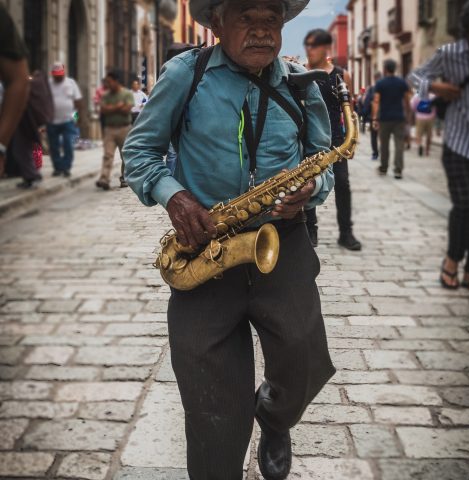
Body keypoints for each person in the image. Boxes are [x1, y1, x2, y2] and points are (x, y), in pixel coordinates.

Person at [123, 1, 336, 479]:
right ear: (216, 23)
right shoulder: (186, 73)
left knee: (304, 363)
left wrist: (311, 190)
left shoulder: (303, 84)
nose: (262, 31)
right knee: (211, 405)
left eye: (272, 20)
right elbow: (139, 151)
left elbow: (324, 159)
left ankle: (276, 417)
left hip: (283, 243)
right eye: (247, 18)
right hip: (207, 247)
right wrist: (175, 198)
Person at [409, 0, 469, 294]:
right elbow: (415, 77)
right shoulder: (450, 54)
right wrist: (438, 88)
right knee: (464, 206)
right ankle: (451, 261)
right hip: (460, 143)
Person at [303, 28, 361, 251]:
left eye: (314, 45)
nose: (310, 50)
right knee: (307, 185)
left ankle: (346, 233)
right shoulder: (301, 72)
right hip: (309, 140)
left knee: (343, 185)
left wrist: (352, 138)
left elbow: (350, 109)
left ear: (326, 48)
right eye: (307, 45)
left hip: (336, 140)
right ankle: (310, 229)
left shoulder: (341, 75)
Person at [0, 4, 30, 177]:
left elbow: (19, 80)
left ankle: (33, 174)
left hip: (33, 125)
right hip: (26, 125)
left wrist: (75, 120)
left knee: (32, 148)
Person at [372, 59, 411, 179]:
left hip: (384, 118)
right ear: (395, 69)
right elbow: (407, 99)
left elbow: (377, 101)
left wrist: (375, 118)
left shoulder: (380, 83)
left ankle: (384, 168)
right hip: (399, 117)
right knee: (399, 144)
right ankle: (398, 170)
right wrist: (408, 114)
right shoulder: (401, 83)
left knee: (384, 144)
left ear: (385, 69)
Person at [96, 71, 134, 190]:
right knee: (108, 154)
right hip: (110, 129)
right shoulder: (106, 95)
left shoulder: (127, 93)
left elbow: (127, 109)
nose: (107, 84)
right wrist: (117, 107)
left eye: (109, 81)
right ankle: (104, 179)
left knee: (125, 155)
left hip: (124, 128)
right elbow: (103, 110)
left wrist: (111, 108)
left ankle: (124, 178)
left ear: (116, 81)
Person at [46, 62, 82, 177]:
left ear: (64, 72)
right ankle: (57, 167)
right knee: (53, 146)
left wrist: (77, 118)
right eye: (56, 75)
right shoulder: (48, 84)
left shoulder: (71, 83)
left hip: (68, 120)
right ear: (52, 74)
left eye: (60, 74)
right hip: (51, 120)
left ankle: (66, 167)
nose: (58, 77)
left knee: (68, 144)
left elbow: (78, 102)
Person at [410, 91, 436, 156]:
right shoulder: (433, 96)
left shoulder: (417, 96)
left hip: (419, 117)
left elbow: (412, 106)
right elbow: (436, 107)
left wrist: (414, 113)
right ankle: (427, 150)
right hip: (430, 117)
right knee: (429, 134)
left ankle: (420, 145)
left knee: (419, 133)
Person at [363, 72, 382, 160]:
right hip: (383, 116)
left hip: (373, 116)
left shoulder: (371, 89)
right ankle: (382, 152)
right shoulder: (384, 88)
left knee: (374, 136)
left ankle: (375, 153)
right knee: (382, 136)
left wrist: (365, 113)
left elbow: (366, 102)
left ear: (374, 79)